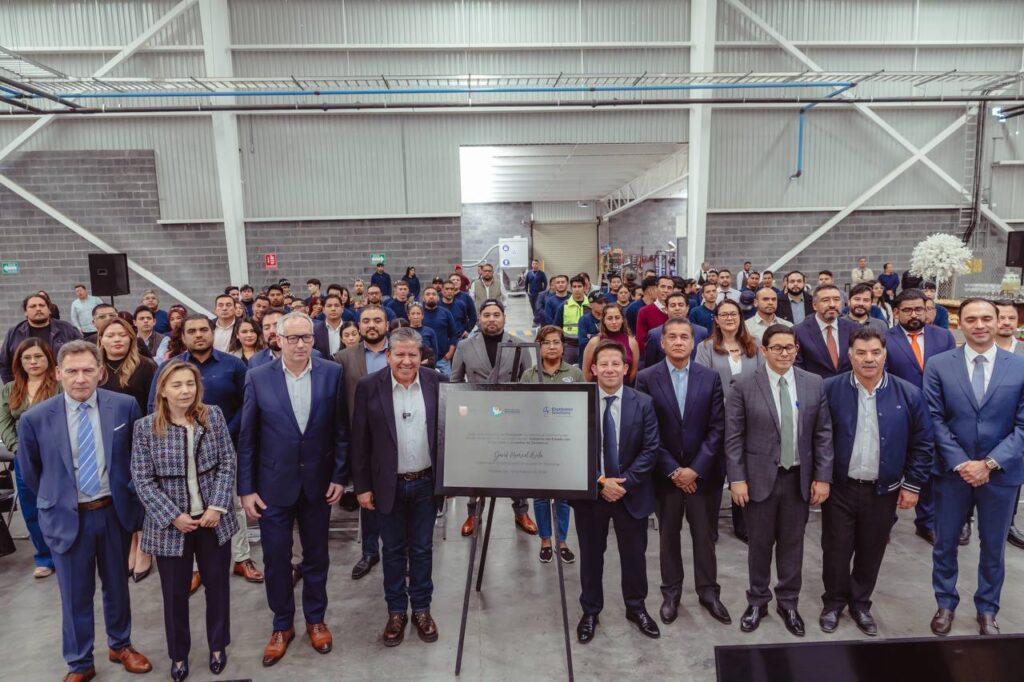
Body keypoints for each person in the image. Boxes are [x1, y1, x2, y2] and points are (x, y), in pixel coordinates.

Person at [16, 341, 153, 681]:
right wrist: (58, 498)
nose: (80, 378)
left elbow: (138, 459)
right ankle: (80, 662)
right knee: (75, 593)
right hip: (67, 516)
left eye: (88, 370)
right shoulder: (35, 419)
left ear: (100, 372)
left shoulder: (124, 407)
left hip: (113, 513)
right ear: (58, 373)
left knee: (117, 586)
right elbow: (32, 473)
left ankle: (120, 644)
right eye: (72, 371)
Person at [238, 311, 348, 666]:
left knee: (316, 556)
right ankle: (282, 624)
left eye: (306, 338)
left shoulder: (332, 373)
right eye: (293, 338)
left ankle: (316, 619)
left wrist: (339, 476)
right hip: (272, 487)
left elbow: (341, 430)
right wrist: (246, 489)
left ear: (314, 340)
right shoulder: (257, 377)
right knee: (275, 560)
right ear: (278, 340)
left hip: (318, 484)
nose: (300, 344)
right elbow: (248, 438)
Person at [820, 328, 934, 636]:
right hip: (840, 488)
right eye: (861, 353)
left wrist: (912, 485)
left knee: (871, 550)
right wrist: (819, 478)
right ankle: (833, 603)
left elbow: (923, 443)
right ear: (850, 356)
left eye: (875, 352)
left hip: (884, 490)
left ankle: (860, 604)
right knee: (835, 550)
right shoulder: (830, 389)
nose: (868, 359)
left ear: (885, 355)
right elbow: (816, 437)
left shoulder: (909, 393)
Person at [131, 361, 238, 680]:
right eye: (176, 385)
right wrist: (172, 515)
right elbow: (142, 479)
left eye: (190, 384)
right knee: (175, 594)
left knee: (217, 587)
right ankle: (179, 655)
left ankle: (218, 646)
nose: (185, 390)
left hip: (212, 520)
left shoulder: (212, 416)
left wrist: (217, 506)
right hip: (171, 526)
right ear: (163, 390)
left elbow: (227, 461)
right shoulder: (146, 428)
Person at [923, 298, 1024, 637]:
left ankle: (987, 609)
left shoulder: (1020, 366)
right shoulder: (939, 365)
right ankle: (945, 603)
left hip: (1002, 474)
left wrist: (990, 463)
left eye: (985, 318)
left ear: (998, 321)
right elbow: (933, 417)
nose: (979, 325)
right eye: (971, 319)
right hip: (953, 473)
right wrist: (962, 462)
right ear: (959, 324)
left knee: (993, 546)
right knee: (945, 543)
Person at [726, 324, 834, 638]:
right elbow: (733, 438)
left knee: (792, 545)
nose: (784, 353)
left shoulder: (813, 383)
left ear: (797, 350)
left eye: (790, 347)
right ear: (764, 350)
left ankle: (788, 603)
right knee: (759, 545)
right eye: (777, 348)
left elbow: (823, 434)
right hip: (759, 479)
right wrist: (737, 479)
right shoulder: (744, 384)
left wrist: (823, 477)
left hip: (798, 478)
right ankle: (757, 601)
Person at [152, 313, 260, 590]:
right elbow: (154, 409)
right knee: (189, 505)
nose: (199, 335)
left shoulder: (233, 365)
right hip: (179, 451)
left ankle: (242, 557)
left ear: (213, 333)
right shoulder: (170, 367)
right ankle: (195, 567)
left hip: (226, 447)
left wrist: (223, 433)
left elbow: (247, 404)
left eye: (204, 329)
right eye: (192, 331)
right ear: (183, 336)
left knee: (232, 504)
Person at [349, 327, 442, 647]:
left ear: (421, 356)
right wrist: (362, 487)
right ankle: (396, 611)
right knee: (392, 551)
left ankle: (422, 609)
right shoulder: (368, 387)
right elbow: (360, 441)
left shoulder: (436, 382)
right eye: (399, 354)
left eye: (412, 354)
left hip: (425, 484)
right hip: (386, 486)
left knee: (422, 549)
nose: (406, 361)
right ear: (388, 355)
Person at [635, 319, 730, 627]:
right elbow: (646, 430)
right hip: (666, 476)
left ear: (693, 343)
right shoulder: (647, 378)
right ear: (662, 343)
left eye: (684, 337)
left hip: (703, 476)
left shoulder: (710, 377)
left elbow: (717, 428)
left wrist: (695, 469)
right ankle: (671, 593)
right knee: (668, 537)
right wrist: (675, 471)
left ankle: (708, 592)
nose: (678, 342)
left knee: (705, 537)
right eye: (672, 337)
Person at [574, 340, 661, 644]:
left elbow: (650, 449)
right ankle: (590, 611)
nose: (610, 369)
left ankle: (636, 608)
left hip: (630, 494)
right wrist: (600, 481)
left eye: (616, 364)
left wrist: (623, 483)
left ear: (625, 368)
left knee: (634, 556)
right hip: (592, 496)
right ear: (593, 369)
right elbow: (571, 447)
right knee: (591, 557)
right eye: (604, 364)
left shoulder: (643, 403)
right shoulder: (580, 403)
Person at [451, 300, 537, 537]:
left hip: (510, 417)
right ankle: (474, 512)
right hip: (478, 417)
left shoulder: (518, 344)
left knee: (515, 466)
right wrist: (463, 413)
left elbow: (529, 382)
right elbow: (455, 382)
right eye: (486, 315)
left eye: (496, 315)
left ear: (504, 318)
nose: (491, 319)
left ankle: (521, 511)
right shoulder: (465, 346)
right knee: (477, 466)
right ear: (479, 318)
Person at [883, 289, 957, 544]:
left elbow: (952, 374)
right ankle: (885, 521)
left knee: (928, 468)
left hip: (936, 415)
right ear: (896, 312)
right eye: (907, 310)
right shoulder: (885, 339)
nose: (914, 315)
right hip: (898, 415)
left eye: (919, 309)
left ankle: (926, 522)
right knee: (892, 468)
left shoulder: (943, 337)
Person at [333, 305, 390, 581]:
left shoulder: (400, 352)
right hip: (362, 440)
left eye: (377, 320)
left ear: (387, 325)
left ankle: (396, 551)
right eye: (366, 321)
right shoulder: (343, 358)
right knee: (366, 497)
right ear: (358, 326)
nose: (371, 325)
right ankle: (369, 551)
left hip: (396, 437)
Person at [520, 326, 583, 563]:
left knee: (563, 497)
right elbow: (523, 409)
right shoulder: (529, 375)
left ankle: (561, 541)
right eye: (546, 343)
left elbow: (583, 408)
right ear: (539, 346)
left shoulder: (574, 374)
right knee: (540, 496)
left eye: (556, 342)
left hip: (565, 444)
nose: (552, 347)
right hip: (537, 445)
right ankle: (545, 540)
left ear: (563, 346)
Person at [0, 339, 60, 578]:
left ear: (48, 359)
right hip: (24, 457)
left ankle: (66, 551)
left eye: (38, 357)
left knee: (60, 506)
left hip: (56, 456)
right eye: (27, 358)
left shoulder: (59, 384)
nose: (33, 362)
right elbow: (5, 423)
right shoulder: (10, 388)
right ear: (19, 362)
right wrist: (17, 448)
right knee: (31, 509)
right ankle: (45, 557)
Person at [0, 293, 83, 383]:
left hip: (62, 384)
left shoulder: (67, 329)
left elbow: (83, 356)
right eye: (33, 306)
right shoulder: (14, 333)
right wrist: (13, 386)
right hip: (26, 386)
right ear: (25, 312)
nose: (38, 309)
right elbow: (4, 364)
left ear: (49, 309)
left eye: (42, 305)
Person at [793, 285, 859, 379]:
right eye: (825, 300)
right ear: (814, 305)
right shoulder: (798, 332)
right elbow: (798, 368)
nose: (832, 304)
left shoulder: (855, 329)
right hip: (816, 386)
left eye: (836, 299)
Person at [643, 292, 708, 368]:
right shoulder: (655, 335)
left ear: (687, 308)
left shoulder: (702, 332)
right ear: (666, 309)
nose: (677, 308)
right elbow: (650, 366)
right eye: (673, 305)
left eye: (681, 305)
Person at [581, 303, 640, 385]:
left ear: (622, 319)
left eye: (617, 318)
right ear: (603, 321)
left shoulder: (632, 342)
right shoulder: (594, 342)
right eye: (609, 318)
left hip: (624, 388)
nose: (614, 322)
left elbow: (633, 371)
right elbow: (586, 372)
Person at [420, 287, 458, 376]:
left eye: (434, 294)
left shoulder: (446, 313)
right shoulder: (418, 314)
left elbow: (453, 334)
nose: (431, 296)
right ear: (423, 298)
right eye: (428, 294)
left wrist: (450, 353)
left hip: (443, 360)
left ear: (438, 298)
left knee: (447, 384)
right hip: (423, 361)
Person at [554, 276, 591, 364]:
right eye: (574, 287)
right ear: (571, 288)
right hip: (569, 346)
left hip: (588, 344)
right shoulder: (564, 306)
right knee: (566, 370)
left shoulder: (591, 305)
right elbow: (557, 327)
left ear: (584, 288)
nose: (577, 289)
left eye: (579, 286)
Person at [636, 276, 674, 354]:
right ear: (656, 289)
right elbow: (641, 341)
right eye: (662, 287)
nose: (666, 290)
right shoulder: (644, 311)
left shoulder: (678, 311)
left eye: (669, 288)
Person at [313, 294, 349, 359]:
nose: (333, 309)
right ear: (323, 310)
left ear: (342, 308)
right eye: (329, 306)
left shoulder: (349, 329)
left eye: (336, 305)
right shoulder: (315, 330)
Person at [525, 259, 548, 325]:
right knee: (533, 307)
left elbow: (545, 282)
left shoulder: (542, 273)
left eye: (536, 264)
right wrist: (526, 291)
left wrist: (543, 291)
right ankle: (536, 318)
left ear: (538, 265)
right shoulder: (529, 273)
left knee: (538, 307)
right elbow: (526, 283)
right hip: (531, 294)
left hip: (539, 294)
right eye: (533, 264)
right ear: (532, 265)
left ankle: (536, 320)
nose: (534, 265)